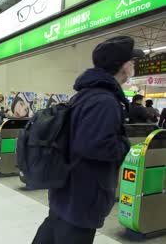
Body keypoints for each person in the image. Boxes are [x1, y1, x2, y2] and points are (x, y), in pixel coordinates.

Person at [32, 36, 144, 244]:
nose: (133, 66)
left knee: (52, 231)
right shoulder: (105, 101)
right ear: (124, 66)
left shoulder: (85, 94)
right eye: (132, 62)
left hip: (67, 188)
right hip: (84, 196)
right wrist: (124, 144)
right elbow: (94, 146)